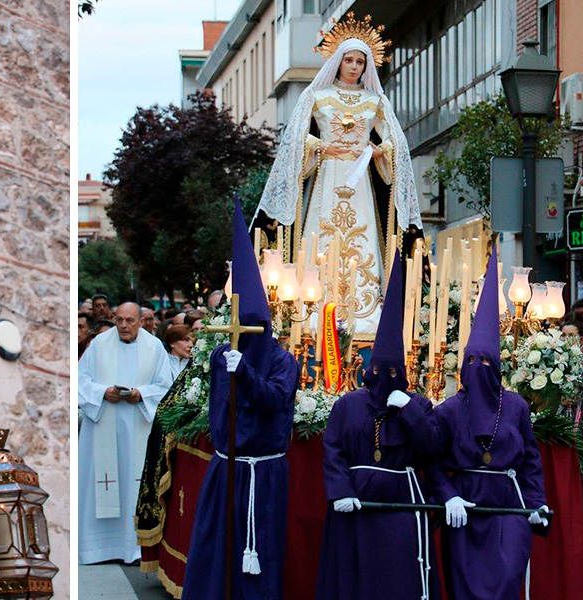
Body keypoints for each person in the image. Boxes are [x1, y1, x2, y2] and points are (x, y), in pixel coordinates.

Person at [253, 12, 423, 336]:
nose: (355, 66)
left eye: (361, 61)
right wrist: (319, 146)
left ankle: (365, 317)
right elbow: (295, 138)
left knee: (362, 238)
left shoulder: (375, 101)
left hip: (359, 180)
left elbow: (396, 142)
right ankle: (316, 314)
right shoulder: (317, 96)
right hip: (329, 177)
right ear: (338, 61)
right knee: (323, 237)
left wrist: (376, 150)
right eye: (350, 60)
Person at [182, 199, 299, 599]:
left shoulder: (284, 362)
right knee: (220, 551)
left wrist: (244, 372)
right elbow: (222, 411)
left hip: (264, 474)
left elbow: (274, 401)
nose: (243, 337)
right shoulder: (222, 357)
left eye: (252, 329)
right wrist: (226, 365)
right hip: (228, 468)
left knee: (261, 550)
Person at [316, 251, 441, 600]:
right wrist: (340, 491)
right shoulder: (348, 405)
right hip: (355, 505)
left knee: (396, 581)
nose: (382, 378)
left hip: (401, 507)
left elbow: (432, 448)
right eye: (378, 371)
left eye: (392, 373)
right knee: (354, 578)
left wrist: (409, 412)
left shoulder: (416, 404)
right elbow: (334, 452)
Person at [428, 245, 549, 600]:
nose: (477, 367)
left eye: (485, 361)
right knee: (465, 587)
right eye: (471, 360)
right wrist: (448, 496)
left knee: (507, 577)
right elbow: (432, 463)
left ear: (497, 368)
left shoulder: (515, 407)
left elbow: (530, 461)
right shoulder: (449, 410)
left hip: (508, 508)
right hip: (464, 510)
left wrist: (536, 502)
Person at [78, 302, 174, 564]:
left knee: (133, 479)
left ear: (141, 322)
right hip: (103, 425)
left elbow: (167, 386)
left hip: (138, 427)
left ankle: (133, 547)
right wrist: (102, 393)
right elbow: (79, 380)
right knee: (104, 480)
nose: (123, 325)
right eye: (119, 320)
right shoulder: (98, 344)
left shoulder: (154, 347)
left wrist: (142, 394)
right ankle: (98, 548)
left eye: (129, 320)